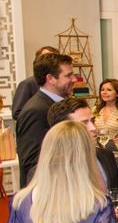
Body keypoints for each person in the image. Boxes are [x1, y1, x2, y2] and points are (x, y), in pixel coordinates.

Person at [16, 52, 75, 187]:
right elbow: (32, 162)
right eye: (68, 75)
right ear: (50, 79)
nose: (74, 79)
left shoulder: (58, 104)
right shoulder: (35, 111)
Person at [48, 98, 118, 197]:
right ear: (63, 130)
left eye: (92, 121)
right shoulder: (50, 169)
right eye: (84, 123)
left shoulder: (106, 156)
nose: (93, 128)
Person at [11, 45, 58, 122]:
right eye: (47, 58)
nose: (51, 61)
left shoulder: (58, 83)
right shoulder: (27, 84)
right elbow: (17, 113)